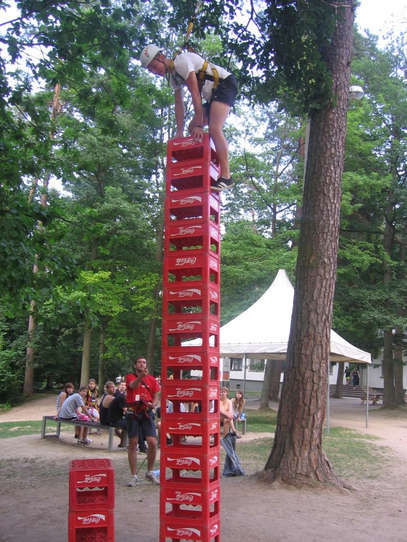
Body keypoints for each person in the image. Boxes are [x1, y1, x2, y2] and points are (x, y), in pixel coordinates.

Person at [140, 45, 238, 191]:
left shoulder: (181, 62)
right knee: (192, 128)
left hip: (224, 84)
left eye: (154, 66)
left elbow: (194, 92)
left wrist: (199, 124)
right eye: (151, 70)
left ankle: (226, 177)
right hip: (213, 95)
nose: (154, 71)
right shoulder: (173, 77)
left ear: (160, 57)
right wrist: (179, 132)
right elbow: (179, 104)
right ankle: (198, 171)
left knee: (214, 128)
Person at [125, 357, 160, 486]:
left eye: (144, 362)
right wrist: (141, 377)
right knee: (133, 443)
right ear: (135, 365)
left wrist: (153, 404)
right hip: (133, 412)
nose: (142, 364)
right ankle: (134, 475)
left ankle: (149, 472)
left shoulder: (152, 379)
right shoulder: (130, 377)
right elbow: (132, 386)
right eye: (139, 362)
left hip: (146, 412)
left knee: (152, 442)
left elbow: (156, 395)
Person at [108, 380, 128, 448]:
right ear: (119, 386)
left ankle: (123, 442)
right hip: (114, 419)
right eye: (122, 385)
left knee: (126, 423)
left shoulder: (122, 395)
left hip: (114, 417)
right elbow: (125, 409)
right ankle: (125, 442)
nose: (123, 386)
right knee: (130, 424)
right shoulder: (119, 395)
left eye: (124, 385)